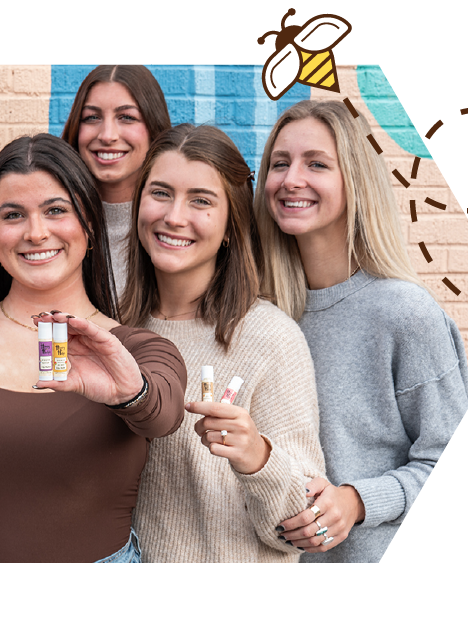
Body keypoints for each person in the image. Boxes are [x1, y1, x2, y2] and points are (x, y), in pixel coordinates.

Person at [0, 134, 187, 563]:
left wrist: (127, 390)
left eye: (56, 210)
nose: (36, 232)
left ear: (90, 224)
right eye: (13, 215)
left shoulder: (140, 347)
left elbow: (163, 414)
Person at [256, 100, 468, 562]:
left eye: (316, 164)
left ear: (354, 180)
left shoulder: (405, 313)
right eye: (279, 163)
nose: (292, 179)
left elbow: (453, 465)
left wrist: (356, 502)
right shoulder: (263, 314)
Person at [121, 125, 324, 562]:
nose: (174, 216)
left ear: (232, 225)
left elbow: (303, 525)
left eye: (200, 200)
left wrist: (257, 456)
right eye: (160, 193)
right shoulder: (116, 328)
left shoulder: (270, 339)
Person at [59, 65, 173, 298]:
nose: (107, 135)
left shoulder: (176, 225)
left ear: (154, 128)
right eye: (92, 117)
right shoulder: (51, 223)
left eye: (126, 117)